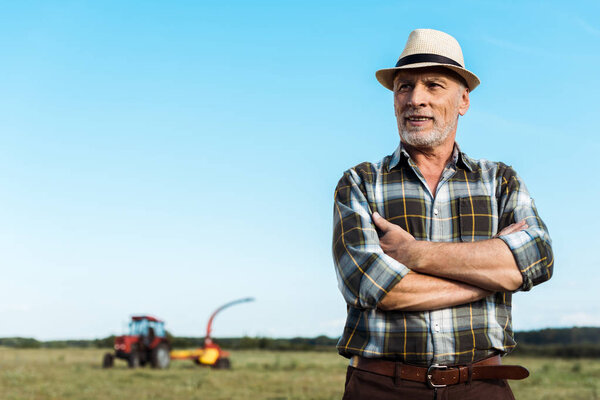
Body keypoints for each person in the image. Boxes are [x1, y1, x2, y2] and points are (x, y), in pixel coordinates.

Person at [332, 29, 553, 400]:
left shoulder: (500, 180)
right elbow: (374, 287)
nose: (416, 99)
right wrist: (493, 277)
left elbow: (538, 259)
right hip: (382, 388)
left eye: (434, 85)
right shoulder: (360, 182)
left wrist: (415, 254)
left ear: (463, 100)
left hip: (482, 387)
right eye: (404, 87)